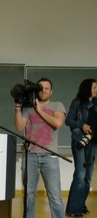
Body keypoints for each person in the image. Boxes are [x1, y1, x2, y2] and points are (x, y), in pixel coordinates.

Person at [14, 78, 66, 218]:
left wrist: (40, 110)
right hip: (30, 156)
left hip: (50, 156)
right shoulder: (28, 107)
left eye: (46, 88)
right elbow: (19, 127)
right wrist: (18, 107)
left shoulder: (57, 105)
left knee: (54, 195)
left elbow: (57, 123)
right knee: (29, 194)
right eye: (40, 88)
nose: (43, 90)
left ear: (51, 91)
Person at [65, 79, 97, 217]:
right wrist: (82, 125)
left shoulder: (96, 102)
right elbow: (68, 120)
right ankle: (73, 209)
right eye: (94, 87)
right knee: (80, 175)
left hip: (92, 143)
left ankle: (80, 205)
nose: (96, 89)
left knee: (88, 177)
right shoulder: (77, 102)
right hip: (79, 142)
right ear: (87, 88)